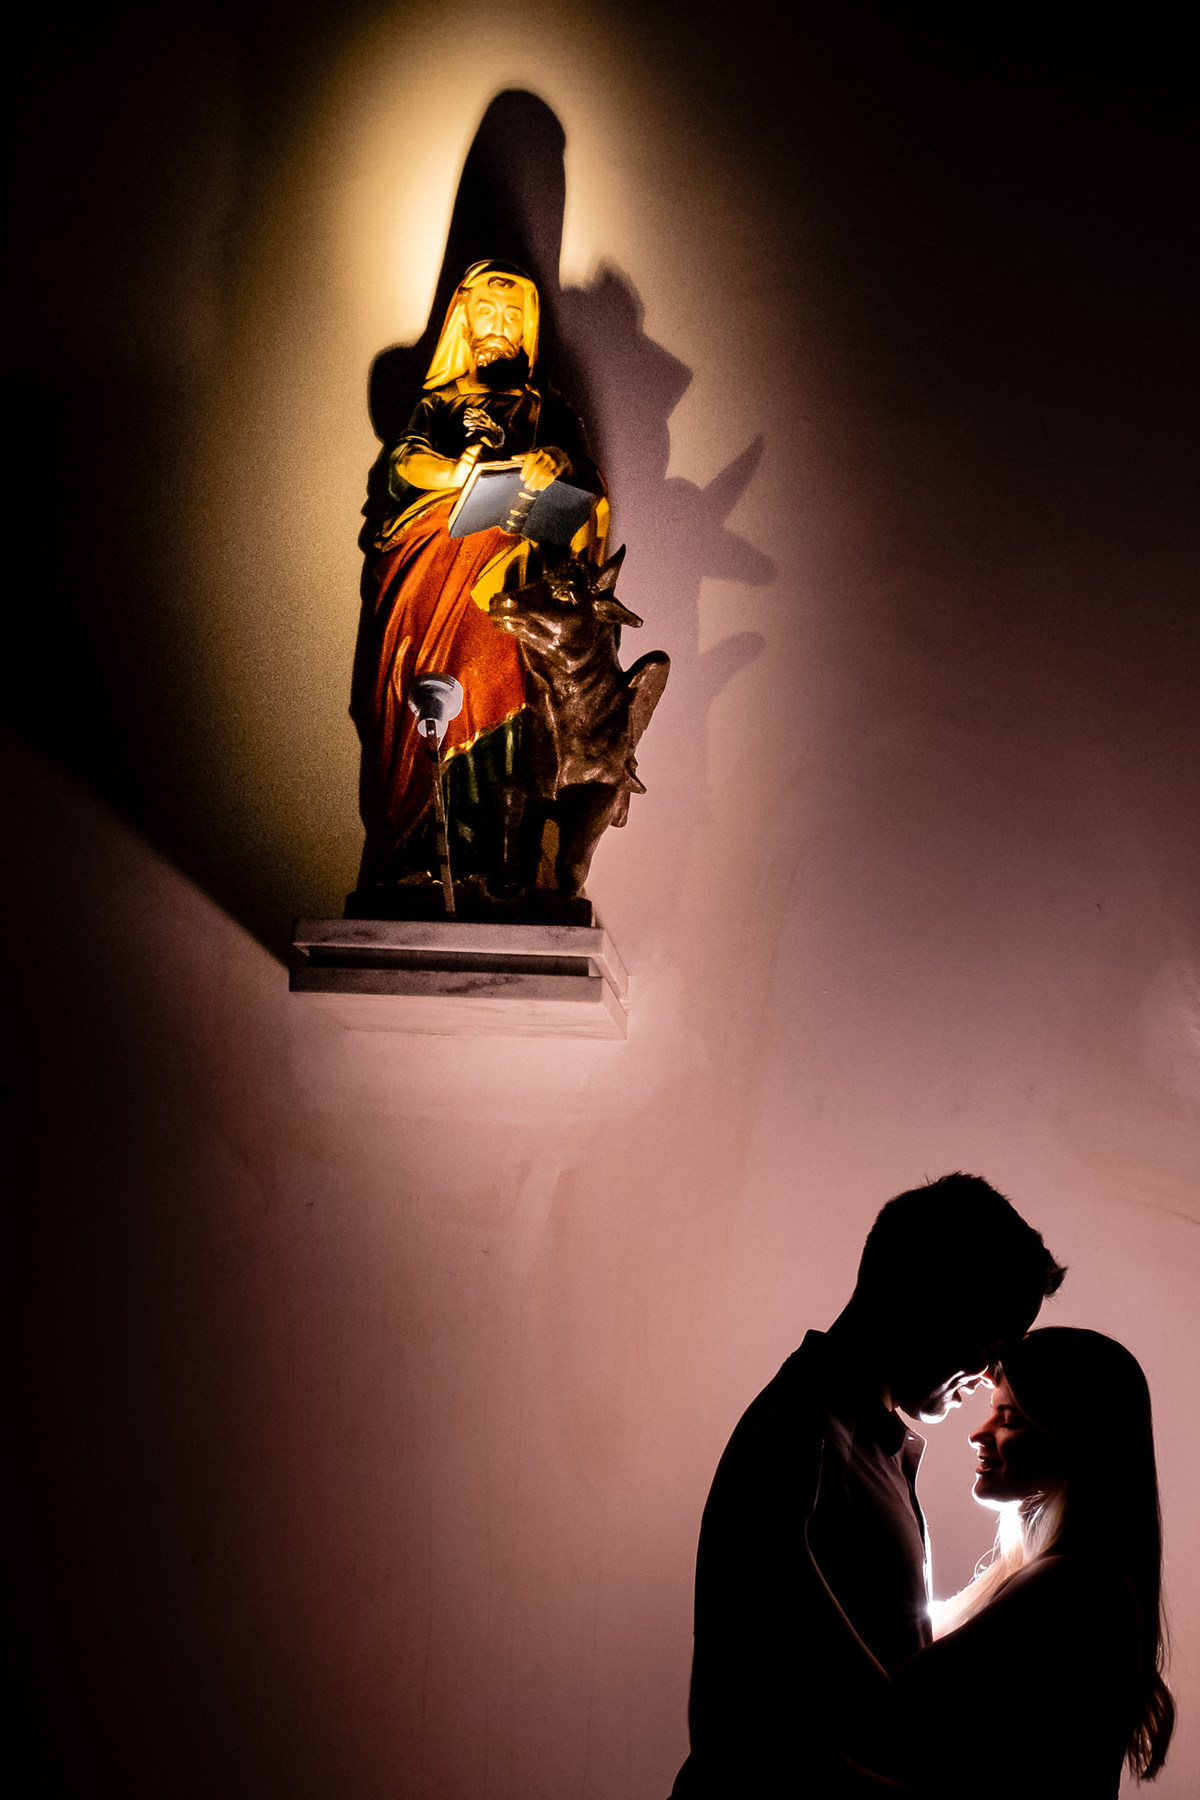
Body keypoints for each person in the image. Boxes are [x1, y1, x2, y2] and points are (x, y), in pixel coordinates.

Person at [670, 1172, 1066, 1798]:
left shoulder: (865, 1441)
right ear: (924, 1297)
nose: (993, 1375)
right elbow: (745, 1729)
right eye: (992, 1341)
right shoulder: (798, 1438)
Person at [351, 259, 606, 901]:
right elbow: (404, 464)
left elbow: (588, 499)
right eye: (486, 313)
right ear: (463, 319)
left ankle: (499, 861)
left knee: (502, 700)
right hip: (425, 577)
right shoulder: (436, 404)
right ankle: (411, 856)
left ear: (528, 329)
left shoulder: (547, 407)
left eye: (511, 316)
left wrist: (558, 463)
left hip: (501, 591)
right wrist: (457, 475)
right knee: (417, 709)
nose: (497, 327)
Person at [877, 1327, 1175, 1797]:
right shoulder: (1060, 1578)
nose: (978, 1433)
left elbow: (881, 1711)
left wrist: (788, 1546)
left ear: (1073, 1438)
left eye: (1008, 1418)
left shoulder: (1076, 1587)